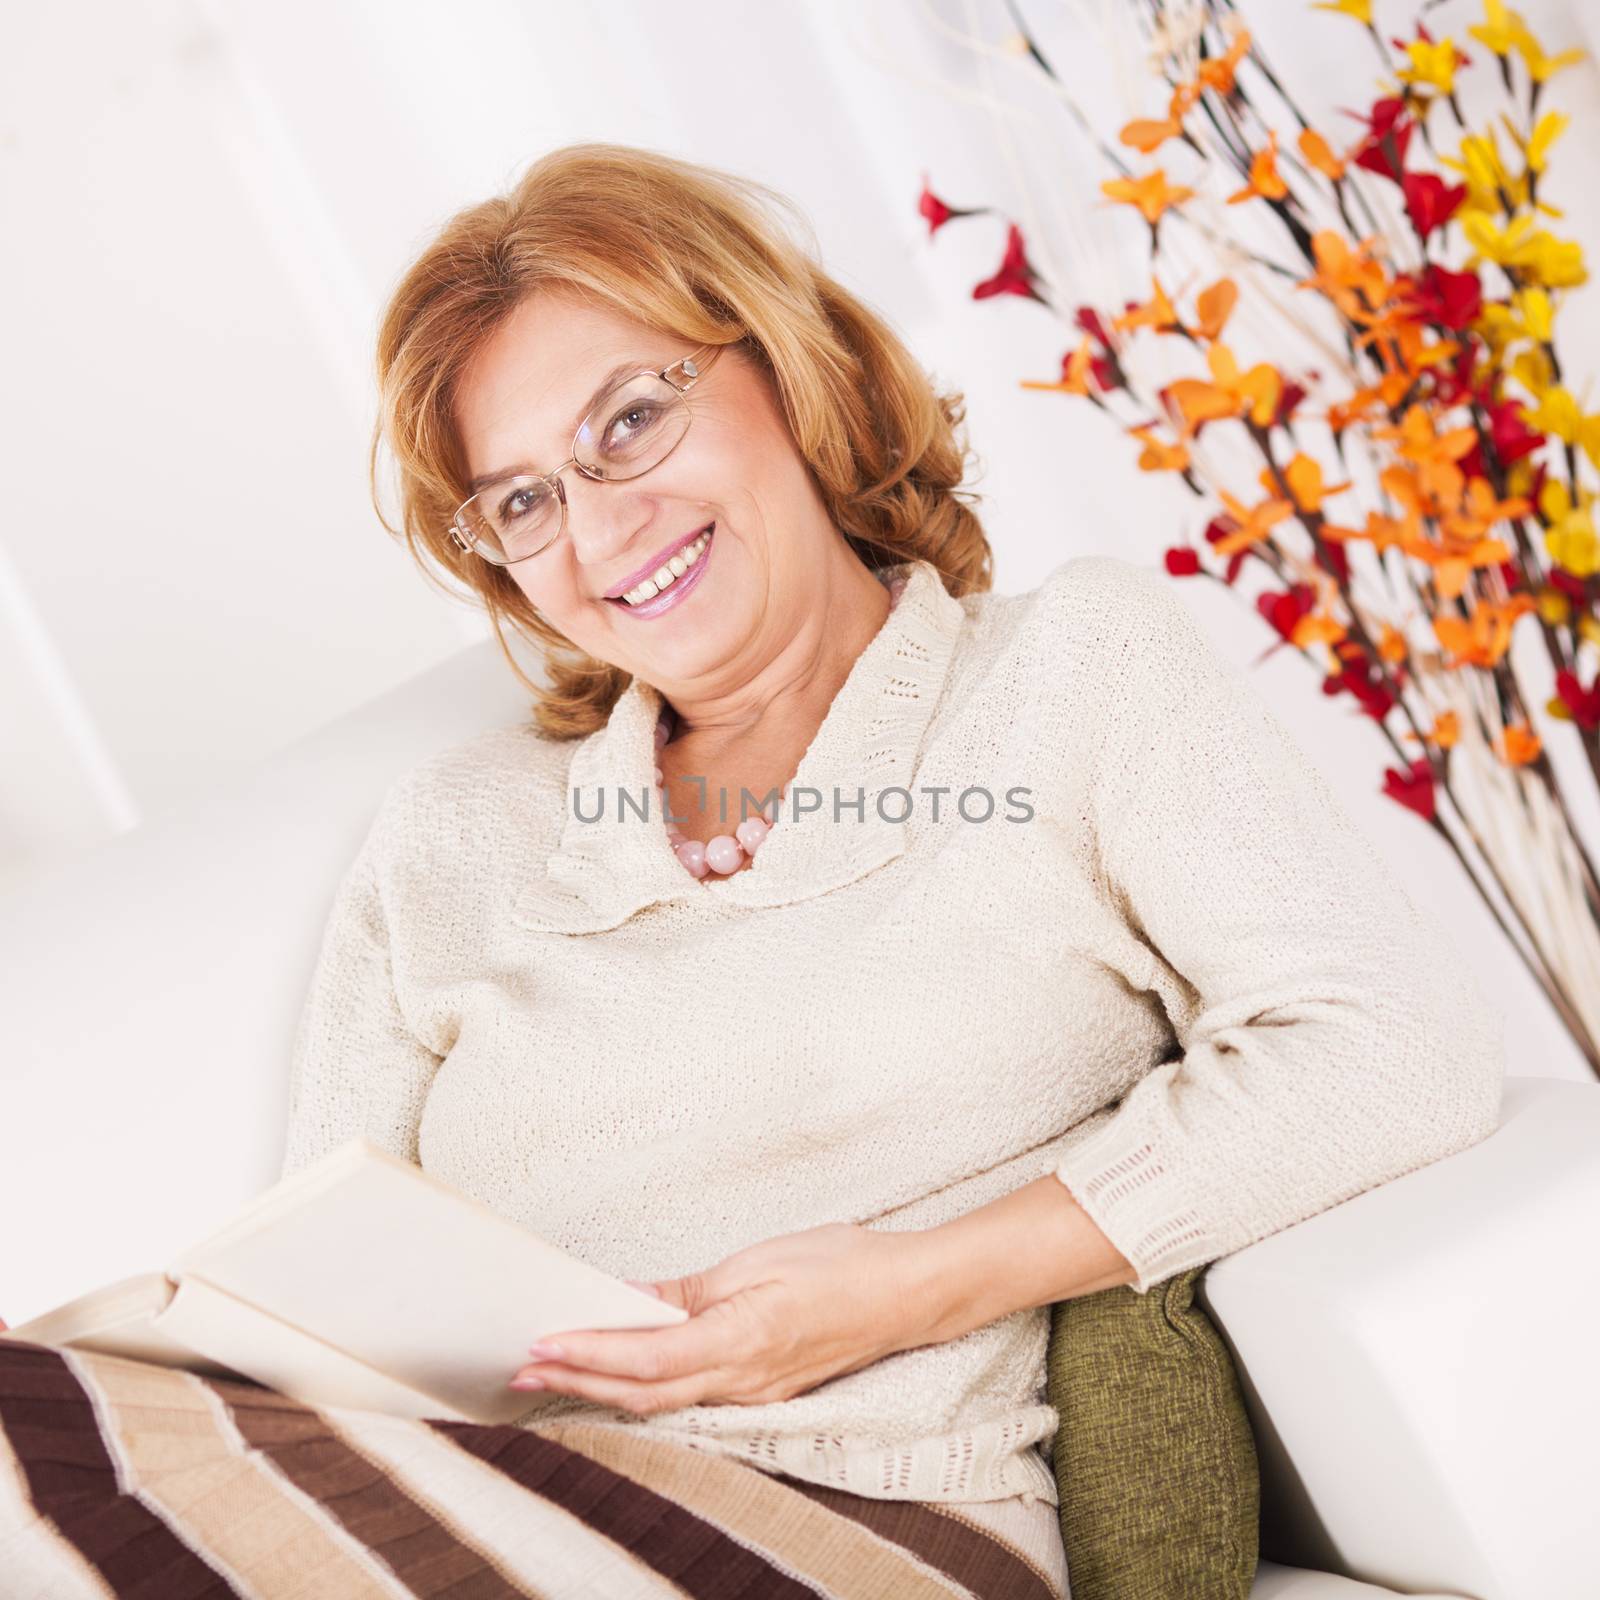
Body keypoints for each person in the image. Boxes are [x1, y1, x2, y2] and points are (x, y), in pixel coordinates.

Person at [0, 142, 1505, 1599]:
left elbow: (1393, 1045)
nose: (598, 530)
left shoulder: (1068, 675)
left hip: (872, 1510)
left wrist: (916, 1284)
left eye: (630, 424)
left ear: (791, 370)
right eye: (523, 500)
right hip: (477, 1499)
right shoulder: (451, 835)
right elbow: (318, 1297)